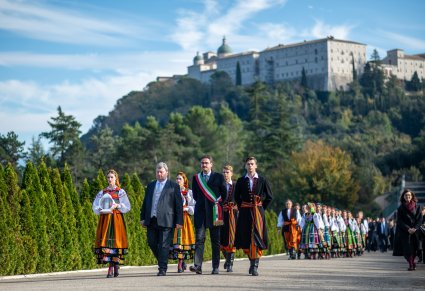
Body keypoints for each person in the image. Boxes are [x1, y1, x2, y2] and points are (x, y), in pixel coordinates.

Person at [140, 162, 183, 276]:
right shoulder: (151, 185)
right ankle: (163, 259)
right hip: (152, 219)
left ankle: (162, 268)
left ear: (166, 173)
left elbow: (178, 205)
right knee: (152, 242)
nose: (159, 174)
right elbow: (145, 203)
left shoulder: (173, 186)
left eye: (161, 172)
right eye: (157, 172)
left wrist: (179, 221)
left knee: (164, 245)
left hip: (167, 220)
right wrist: (143, 217)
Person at [234, 157, 273, 276]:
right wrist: (243, 207)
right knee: (246, 237)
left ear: (256, 166)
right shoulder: (241, 180)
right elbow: (237, 197)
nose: (250, 166)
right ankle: (251, 262)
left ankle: (254, 266)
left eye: (252, 164)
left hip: (258, 213)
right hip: (245, 212)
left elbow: (269, 196)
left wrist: (260, 208)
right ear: (245, 166)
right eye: (248, 164)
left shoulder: (262, 179)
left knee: (257, 237)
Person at [190, 155, 227, 275]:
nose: (204, 165)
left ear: (211, 164)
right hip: (200, 213)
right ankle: (197, 266)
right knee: (199, 239)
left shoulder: (219, 177)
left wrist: (216, 204)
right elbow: (195, 195)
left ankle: (215, 267)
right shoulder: (196, 178)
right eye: (202, 163)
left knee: (215, 241)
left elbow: (224, 194)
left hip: (216, 212)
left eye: (206, 163)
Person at [93, 169, 131, 278]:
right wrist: (100, 208)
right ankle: (112, 267)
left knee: (115, 243)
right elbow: (95, 205)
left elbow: (127, 206)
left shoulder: (120, 192)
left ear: (116, 179)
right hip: (105, 219)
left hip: (116, 219)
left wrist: (117, 206)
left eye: (111, 177)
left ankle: (113, 267)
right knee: (107, 244)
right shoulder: (103, 192)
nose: (109, 179)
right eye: (108, 177)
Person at [169, 172, 196, 273]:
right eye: (176, 179)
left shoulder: (189, 192)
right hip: (175, 219)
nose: (178, 180)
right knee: (176, 243)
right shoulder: (172, 192)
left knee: (183, 242)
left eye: (180, 179)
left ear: (184, 180)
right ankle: (180, 263)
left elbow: (193, 207)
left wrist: (185, 208)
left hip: (185, 219)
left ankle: (181, 263)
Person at [393, 189, 423, 271]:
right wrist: (408, 229)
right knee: (407, 249)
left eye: (409, 195)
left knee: (415, 248)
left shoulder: (418, 207)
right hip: (405, 232)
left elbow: (420, 219)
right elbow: (399, 221)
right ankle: (410, 264)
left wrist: (415, 228)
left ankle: (413, 262)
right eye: (406, 195)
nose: (407, 197)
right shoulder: (400, 208)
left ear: (412, 196)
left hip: (415, 231)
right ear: (403, 197)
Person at [220, 164, 238, 272]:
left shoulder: (236, 185)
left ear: (231, 173)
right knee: (221, 238)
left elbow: (240, 199)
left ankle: (230, 263)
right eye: (224, 172)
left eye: (227, 172)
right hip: (221, 214)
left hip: (233, 215)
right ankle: (227, 259)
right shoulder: (219, 185)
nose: (225, 174)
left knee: (231, 238)